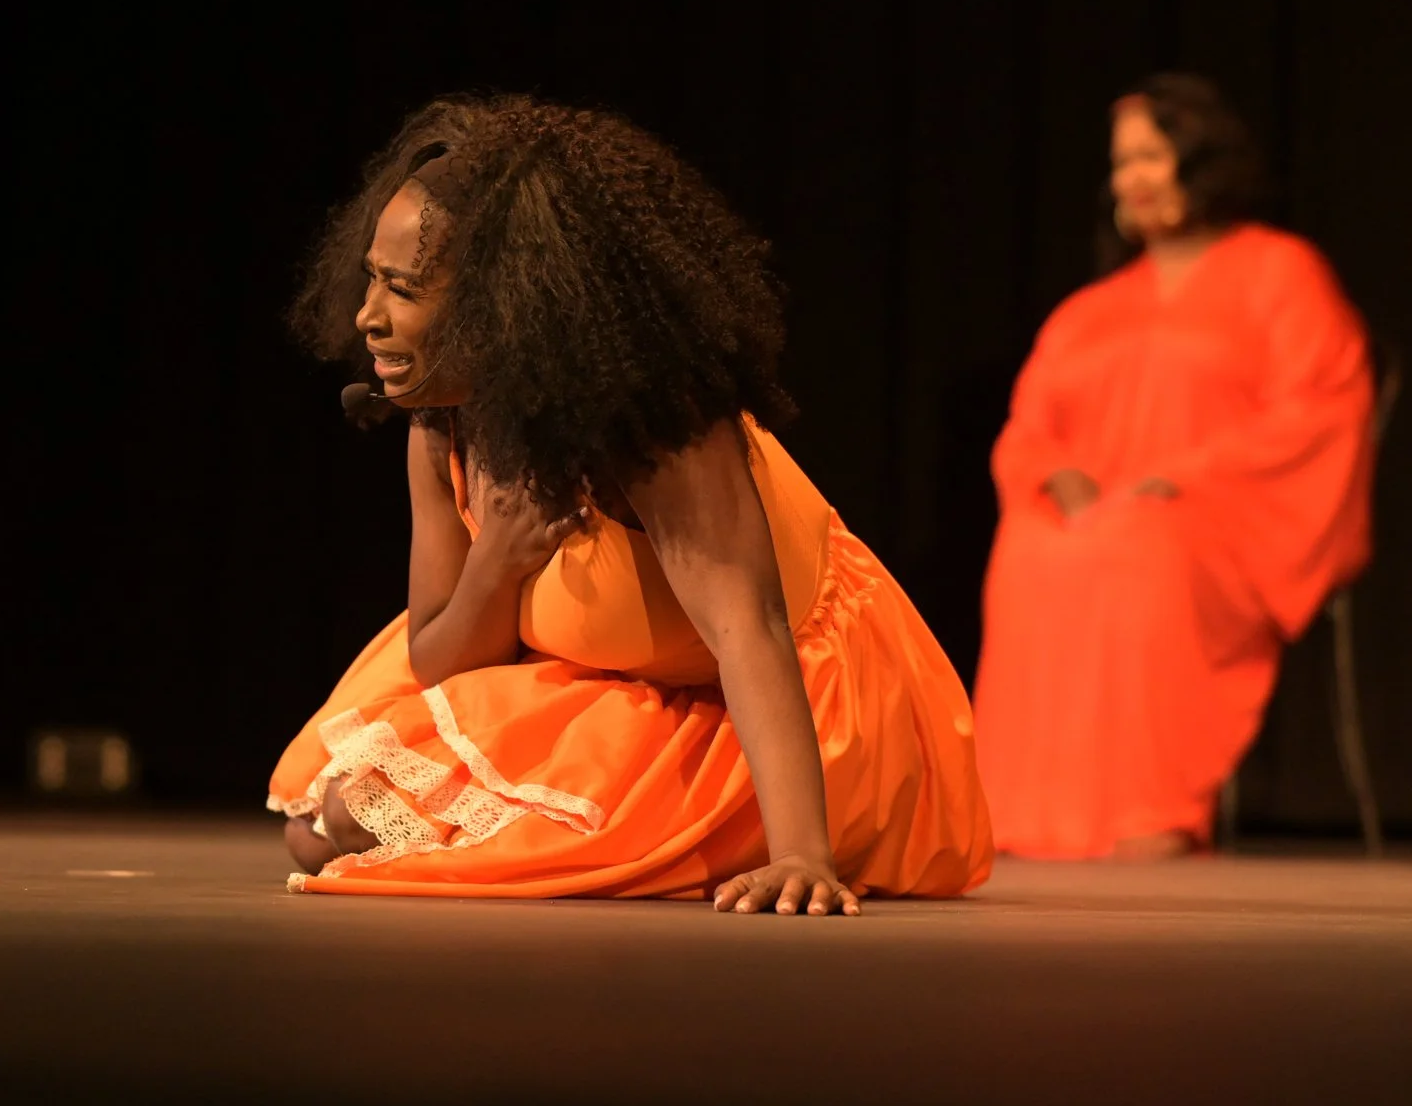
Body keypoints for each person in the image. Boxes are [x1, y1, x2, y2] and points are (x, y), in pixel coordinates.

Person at [270, 96, 994, 911]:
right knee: (329, 820)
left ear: (501, 302)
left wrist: (802, 856)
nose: (368, 317)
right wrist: (499, 561)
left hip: (771, 719)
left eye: (401, 289)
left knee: (365, 824)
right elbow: (436, 659)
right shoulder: (442, 425)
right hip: (607, 690)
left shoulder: (654, 422)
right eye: (371, 278)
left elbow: (746, 630)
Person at [972, 73, 1374, 861]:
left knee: (1135, 548)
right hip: (1097, 517)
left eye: (1153, 155)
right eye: (1123, 163)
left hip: (1220, 516)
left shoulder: (1280, 272)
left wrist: (1184, 478)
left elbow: (1320, 407)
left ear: (1201, 160)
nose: (1135, 178)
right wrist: (1058, 476)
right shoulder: (1092, 309)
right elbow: (1029, 427)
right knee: (1031, 547)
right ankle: (1022, 813)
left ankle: (1146, 811)